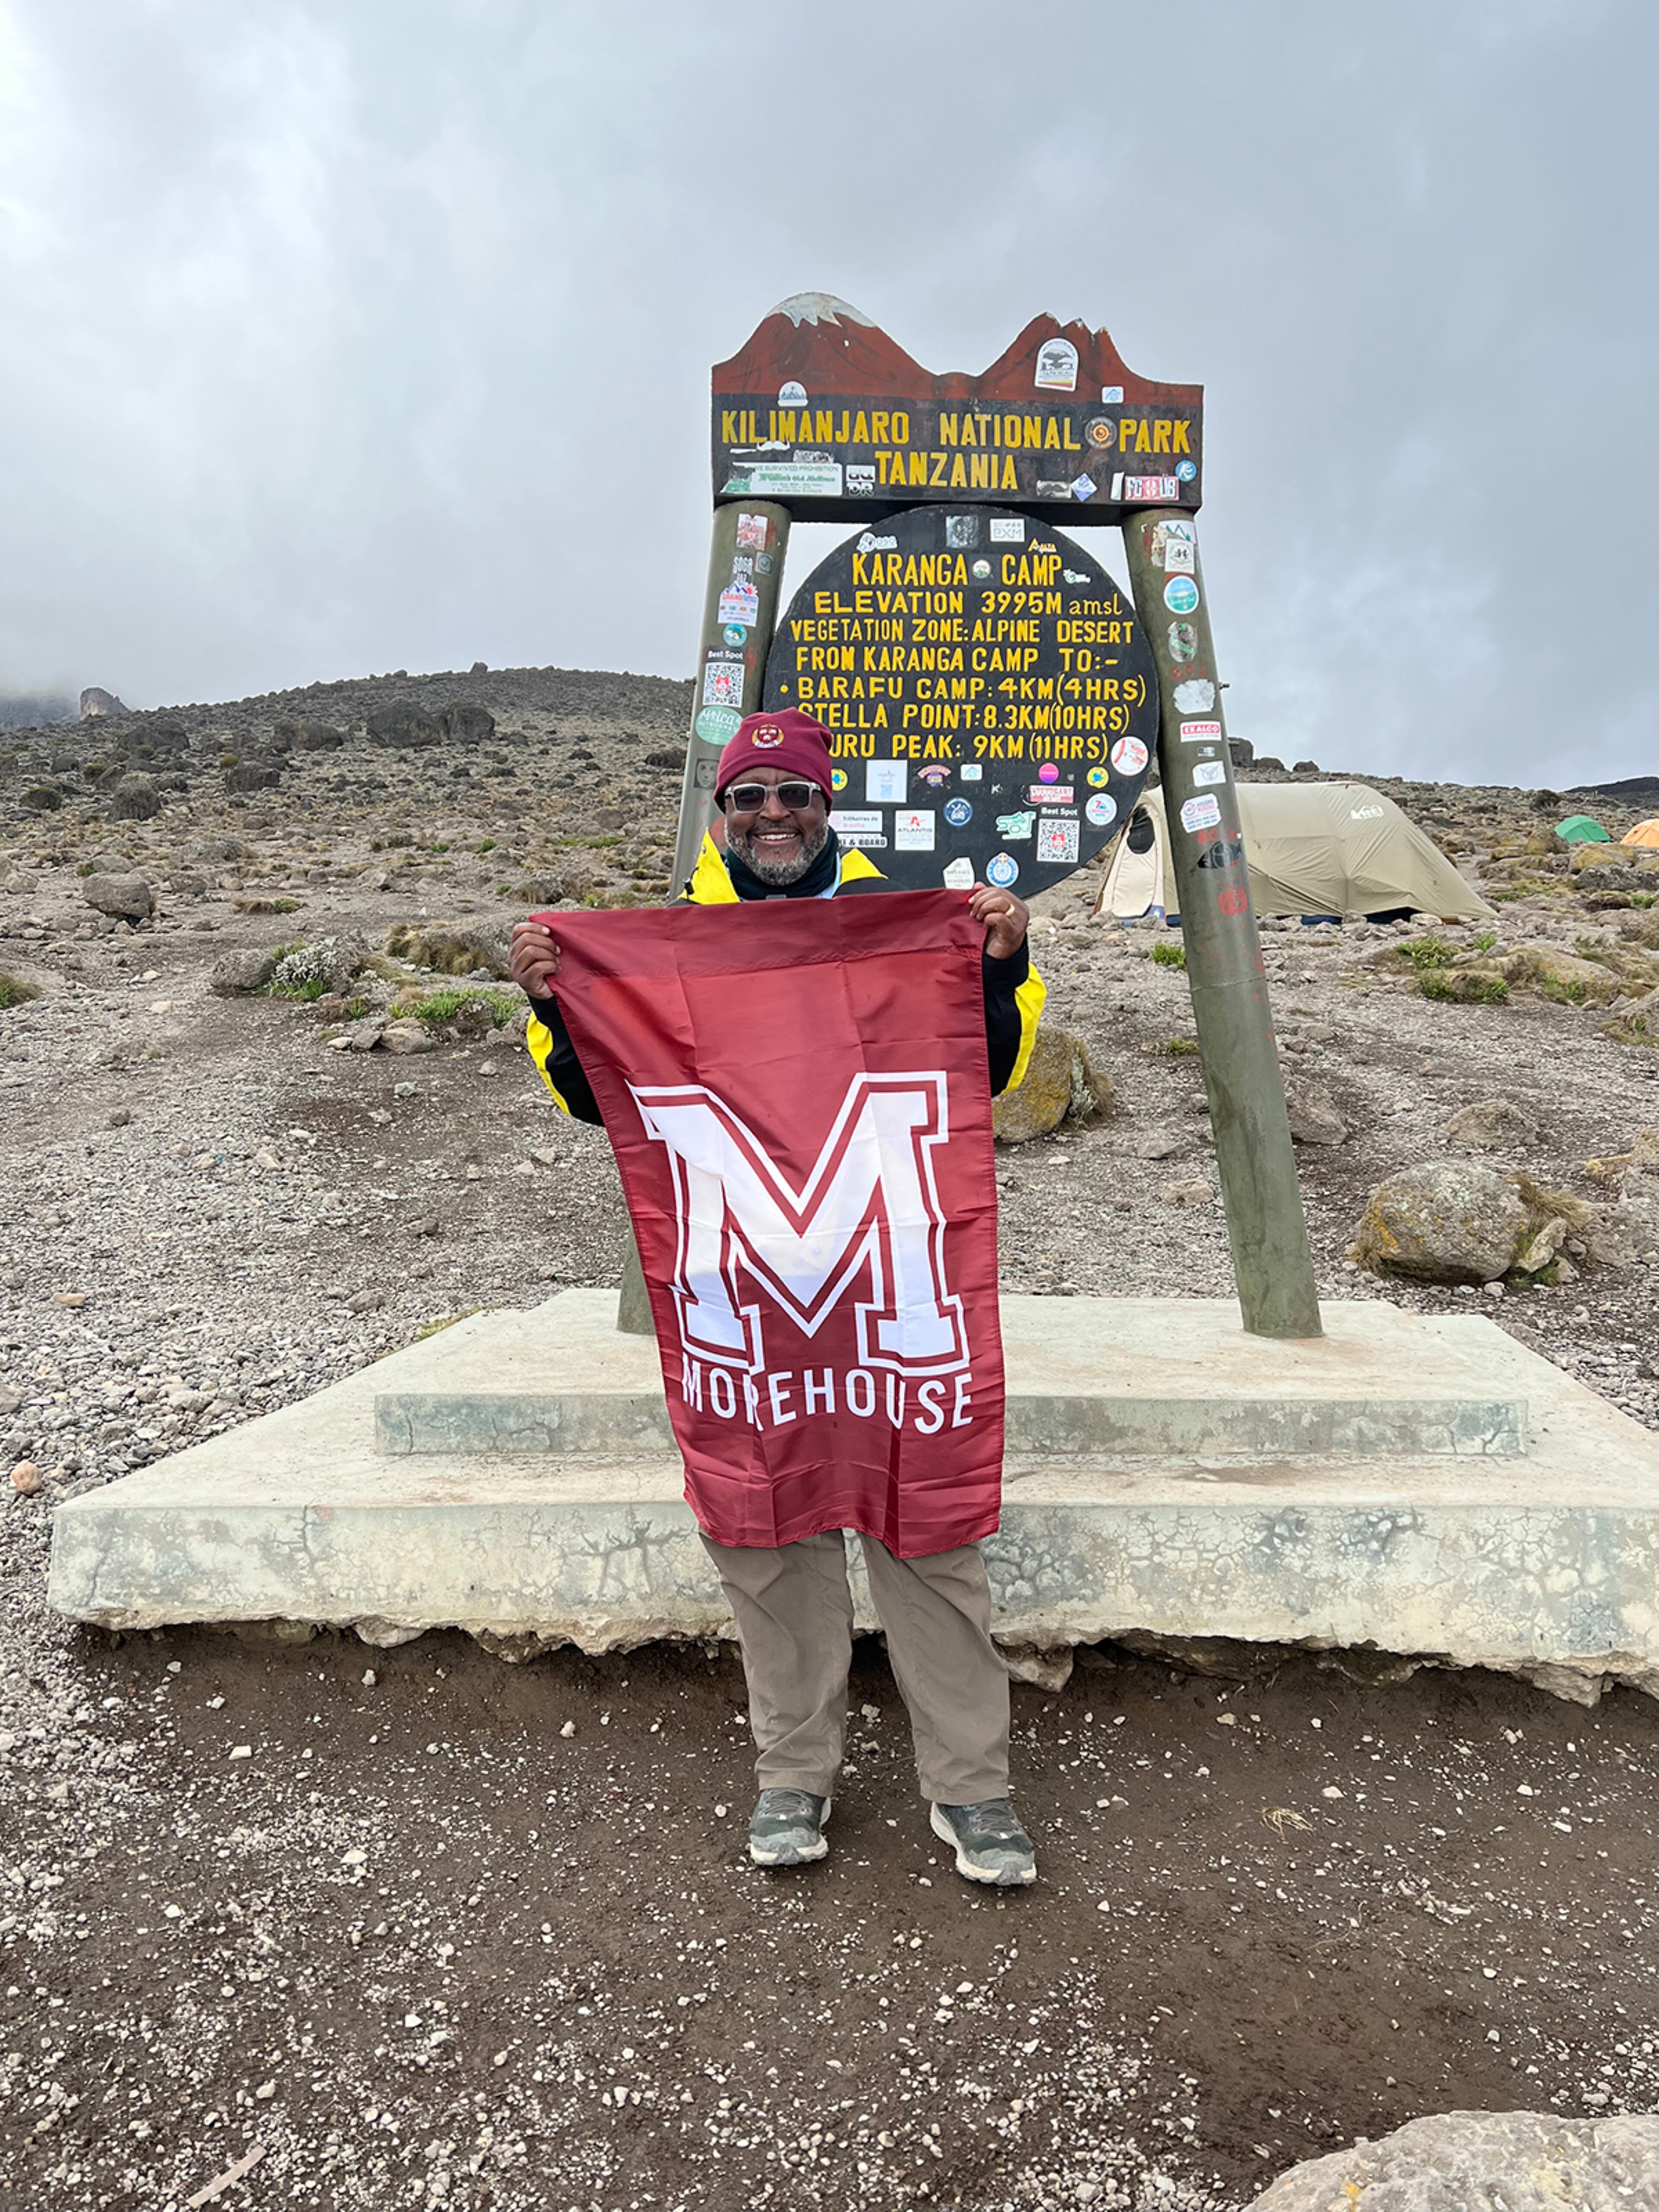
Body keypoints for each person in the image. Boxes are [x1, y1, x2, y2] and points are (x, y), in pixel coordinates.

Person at [509, 708, 1046, 1886]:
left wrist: (999, 967)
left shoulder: (906, 929)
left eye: (792, 796)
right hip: (747, 1299)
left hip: (895, 1288)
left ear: (825, 809)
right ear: (724, 817)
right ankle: (792, 1776)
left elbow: (986, 1070)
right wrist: (559, 1007)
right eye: (748, 797)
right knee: (767, 1534)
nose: (771, 817)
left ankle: (973, 1790)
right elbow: (609, 1108)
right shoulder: (672, 944)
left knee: (930, 1534)